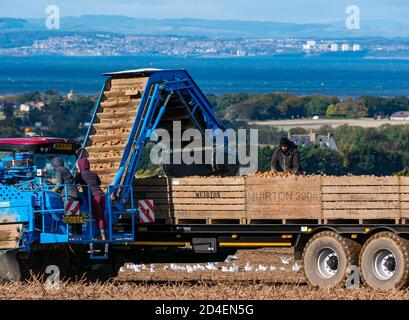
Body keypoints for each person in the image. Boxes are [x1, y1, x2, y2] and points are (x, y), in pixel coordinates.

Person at [75, 158, 107, 240]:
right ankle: (105, 232)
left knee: (98, 216)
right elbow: (99, 183)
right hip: (102, 196)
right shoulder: (93, 173)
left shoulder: (80, 175)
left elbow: (73, 183)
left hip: (94, 197)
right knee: (102, 215)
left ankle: (103, 236)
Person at [50, 157, 81, 235]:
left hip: (68, 193)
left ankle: (70, 232)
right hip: (74, 193)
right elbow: (62, 180)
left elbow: (59, 183)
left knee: (70, 212)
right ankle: (79, 232)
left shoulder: (58, 170)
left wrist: (53, 190)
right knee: (75, 213)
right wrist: (50, 180)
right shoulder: (65, 169)